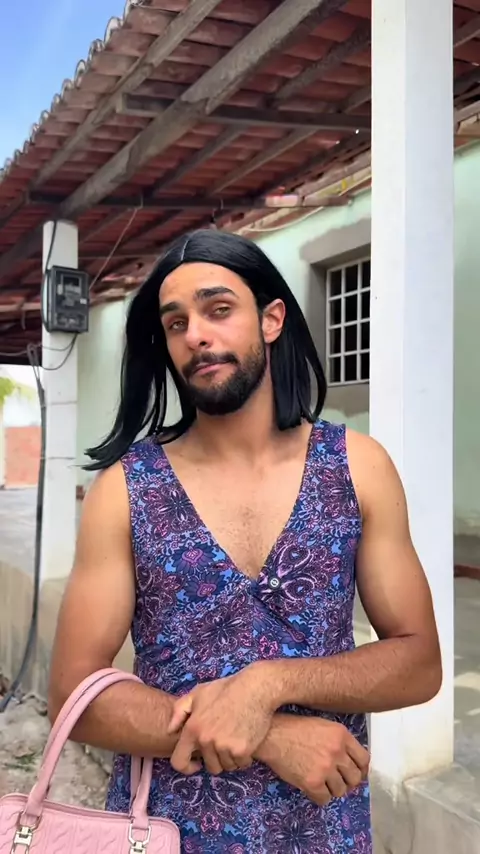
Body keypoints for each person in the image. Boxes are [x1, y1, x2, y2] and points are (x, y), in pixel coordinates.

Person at [48, 229, 442, 853]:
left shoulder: (356, 468)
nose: (196, 335)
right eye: (176, 323)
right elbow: (73, 694)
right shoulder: (126, 490)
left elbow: (419, 662)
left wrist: (269, 684)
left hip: (324, 832)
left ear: (271, 319)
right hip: (164, 834)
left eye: (218, 309)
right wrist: (267, 735)